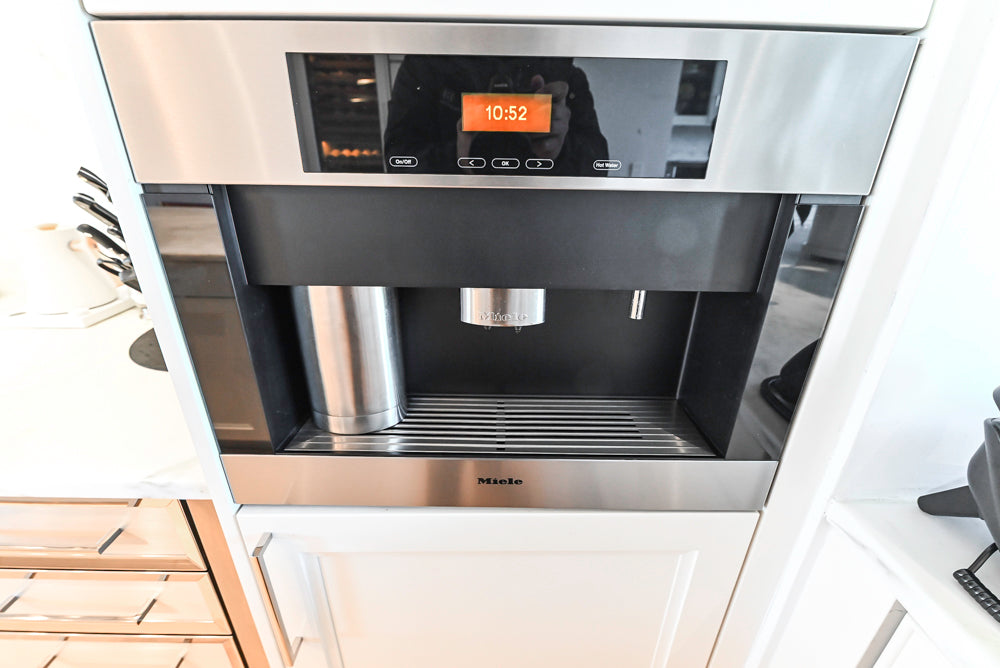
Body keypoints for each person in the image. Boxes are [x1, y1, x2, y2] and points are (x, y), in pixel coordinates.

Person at [384, 56, 608, 176]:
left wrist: (560, 151)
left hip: (537, 216)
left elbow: (598, 164)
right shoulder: (424, 65)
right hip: (453, 216)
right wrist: (457, 156)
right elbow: (398, 160)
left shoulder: (563, 72)